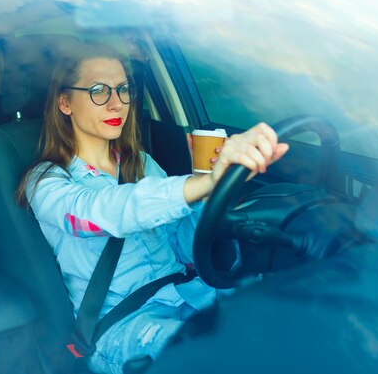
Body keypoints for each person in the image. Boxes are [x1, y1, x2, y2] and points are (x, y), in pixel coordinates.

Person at [16, 42, 289, 374]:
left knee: (282, 314)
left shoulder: (141, 164)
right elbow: (98, 214)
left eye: (124, 89)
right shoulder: (45, 182)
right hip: (124, 325)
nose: (117, 102)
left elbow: (183, 245)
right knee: (220, 357)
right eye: (99, 90)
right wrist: (197, 184)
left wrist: (210, 196)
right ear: (65, 102)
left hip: (188, 293)